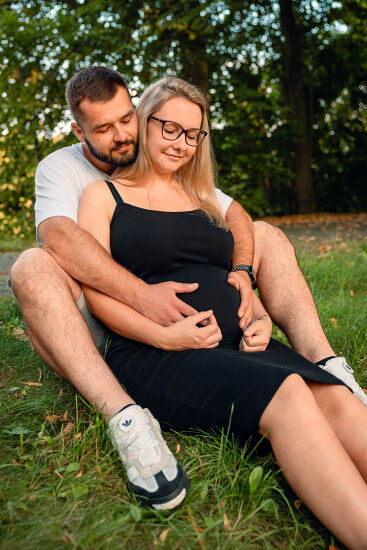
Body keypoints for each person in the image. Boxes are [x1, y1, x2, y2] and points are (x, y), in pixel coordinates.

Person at [8, 66, 366, 509]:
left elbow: (234, 214)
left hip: (224, 331)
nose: (122, 134)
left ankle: (327, 363)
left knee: (326, 392)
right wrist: (148, 308)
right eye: (104, 128)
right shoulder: (75, 177)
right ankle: (125, 417)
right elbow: (61, 240)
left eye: (127, 119)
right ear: (79, 130)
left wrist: (245, 282)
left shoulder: (177, 171)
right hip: (124, 322)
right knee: (31, 265)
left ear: (138, 111)